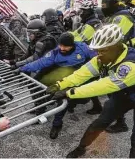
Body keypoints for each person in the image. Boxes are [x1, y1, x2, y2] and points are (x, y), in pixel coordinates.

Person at [46, 24, 135, 158]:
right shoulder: (102, 58)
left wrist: (70, 93)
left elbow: (104, 85)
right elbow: (81, 74)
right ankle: (82, 148)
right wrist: (60, 85)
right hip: (124, 95)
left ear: (117, 46)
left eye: (103, 51)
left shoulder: (131, 64)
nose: (98, 55)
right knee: (98, 124)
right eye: (97, 51)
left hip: (124, 89)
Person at [18, 32, 101, 139]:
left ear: (72, 44)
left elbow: (97, 62)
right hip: (64, 76)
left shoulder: (83, 48)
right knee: (60, 96)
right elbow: (40, 62)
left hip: (81, 76)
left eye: (65, 46)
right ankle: (51, 117)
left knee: (70, 98)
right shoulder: (56, 51)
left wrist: (90, 81)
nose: (62, 48)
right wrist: (22, 68)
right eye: (60, 45)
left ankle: (58, 122)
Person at [98, 0, 135, 133]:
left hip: (125, 59)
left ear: (114, 3)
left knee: (118, 91)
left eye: (104, 4)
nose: (102, 7)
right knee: (116, 91)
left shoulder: (122, 17)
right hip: (119, 58)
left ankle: (121, 123)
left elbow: (115, 41)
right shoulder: (115, 15)